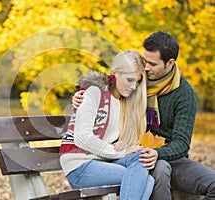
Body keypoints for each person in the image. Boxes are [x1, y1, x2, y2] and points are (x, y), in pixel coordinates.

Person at [72, 31, 215, 200]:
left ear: (170, 63)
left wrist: (158, 153)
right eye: (145, 60)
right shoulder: (137, 80)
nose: (146, 67)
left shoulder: (184, 94)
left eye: (153, 64)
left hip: (170, 157)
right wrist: (81, 92)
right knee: (160, 169)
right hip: (135, 154)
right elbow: (107, 78)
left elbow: (182, 143)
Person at [59, 50, 155, 200]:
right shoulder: (95, 92)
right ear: (114, 73)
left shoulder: (124, 101)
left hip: (104, 161)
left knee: (142, 165)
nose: (133, 86)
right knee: (139, 179)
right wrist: (121, 153)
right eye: (129, 80)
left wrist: (128, 150)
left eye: (137, 82)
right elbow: (82, 138)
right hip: (79, 165)